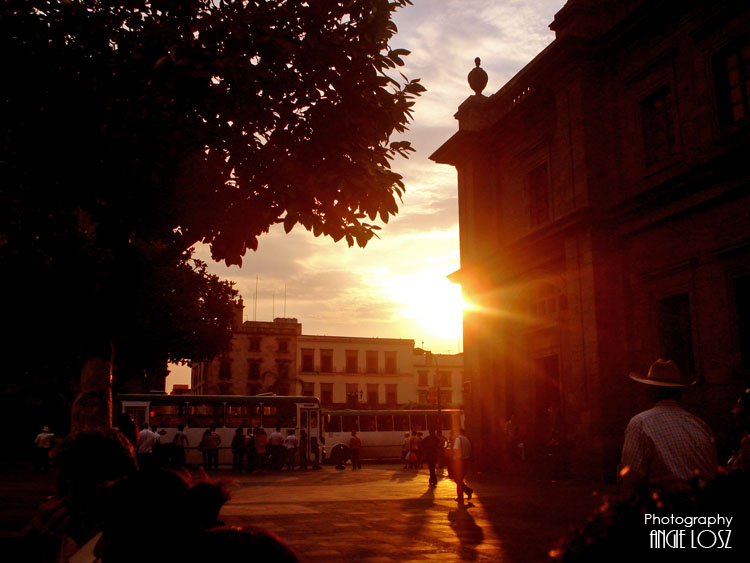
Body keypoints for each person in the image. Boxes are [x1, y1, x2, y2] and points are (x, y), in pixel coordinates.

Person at [620, 359, 718, 494]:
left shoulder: (640, 424)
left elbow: (631, 478)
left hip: (666, 509)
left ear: (650, 392)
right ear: (680, 393)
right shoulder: (701, 425)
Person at [452, 428, 474, 508]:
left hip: (459, 461)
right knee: (459, 479)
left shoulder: (458, 439)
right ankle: (467, 491)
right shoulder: (466, 440)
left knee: (457, 479)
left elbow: (455, 449)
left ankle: (461, 496)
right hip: (466, 461)